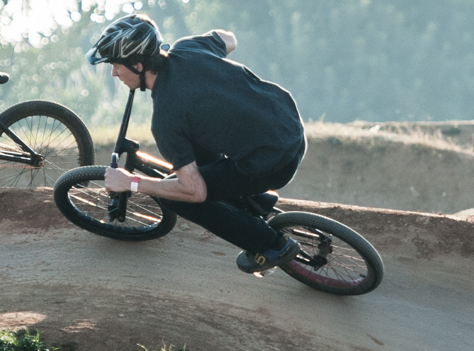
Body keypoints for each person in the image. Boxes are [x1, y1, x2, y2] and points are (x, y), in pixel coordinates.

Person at [87, 14, 309, 273]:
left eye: (116, 65)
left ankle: (271, 245)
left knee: (177, 197)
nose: (114, 73)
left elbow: (195, 192)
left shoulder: (166, 120)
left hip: (275, 164)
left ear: (137, 64)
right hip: (290, 124)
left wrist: (132, 183)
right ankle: (253, 199)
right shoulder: (187, 47)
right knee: (193, 157)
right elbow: (230, 39)